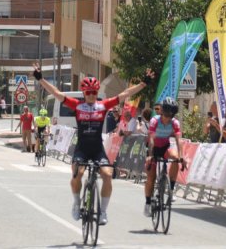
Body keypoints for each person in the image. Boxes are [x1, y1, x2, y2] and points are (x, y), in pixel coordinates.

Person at [33, 63, 154, 226]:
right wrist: (40, 79)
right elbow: (56, 93)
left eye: (94, 92)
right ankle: (76, 203)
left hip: (97, 149)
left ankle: (103, 211)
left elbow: (125, 94)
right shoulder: (77, 105)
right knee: (77, 174)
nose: (91, 95)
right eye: (88, 92)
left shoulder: (103, 105)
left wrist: (143, 83)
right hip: (82, 149)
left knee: (107, 175)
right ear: (84, 92)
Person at [143, 97, 187, 217]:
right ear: (162, 112)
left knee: (176, 158)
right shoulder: (154, 121)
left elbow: (179, 141)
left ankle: (171, 190)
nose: (168, 118)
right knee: (151, 178)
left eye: (171, 115)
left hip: (165, 147)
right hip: (154, 148)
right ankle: (147, 203)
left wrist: (182, 157)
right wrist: (150, 156)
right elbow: (151, 139)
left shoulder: (175, 123)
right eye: (166, 114)